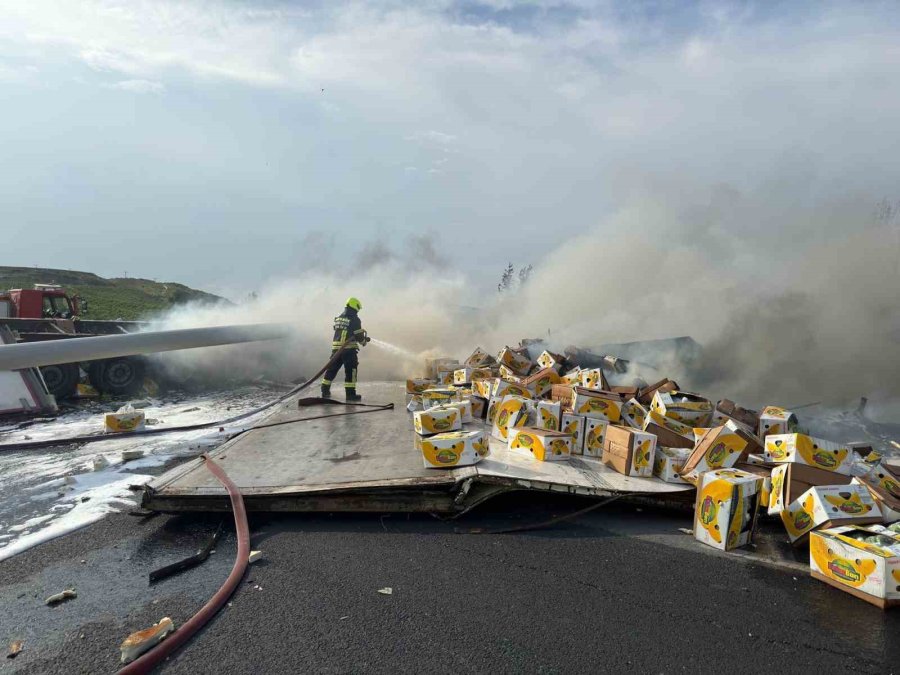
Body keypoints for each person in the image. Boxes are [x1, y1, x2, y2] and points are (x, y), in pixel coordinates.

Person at [321, 297, 369, 401]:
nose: (358, 311)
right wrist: (364, 342)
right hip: (348, 350)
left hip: (336, 349)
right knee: (351, 371)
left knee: (331, 369)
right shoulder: (355, 319)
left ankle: (324, 390)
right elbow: (359, 335)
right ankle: (350, 394)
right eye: (358, 309)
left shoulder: (339, 318)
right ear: (354, 306)